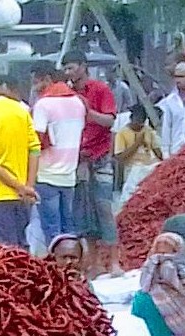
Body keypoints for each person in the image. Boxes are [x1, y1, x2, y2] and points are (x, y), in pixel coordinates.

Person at [64, 50, 121, 275]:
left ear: (83, 66)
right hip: (78, 159)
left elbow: (109, 121)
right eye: (66, 68)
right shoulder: (66, 94)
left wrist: (87, 111)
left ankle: (115, 260)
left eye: (72, 67)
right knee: (84, 211)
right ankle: (95, 261)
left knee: (104, 208)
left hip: (100, 156)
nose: (69, 72)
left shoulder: (100, 90)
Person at [0, 72, 41, 247]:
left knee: (6, 250)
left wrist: (20, 188)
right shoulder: (21, 111)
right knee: (22, 245)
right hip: (24, 196)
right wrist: (28, 186)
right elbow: (34, 149)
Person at [31, 61, 86, 247]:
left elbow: (35, 141)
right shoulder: (78, 102)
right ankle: (72, 268)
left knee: (52, 230)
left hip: (47, 174)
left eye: (36, 83)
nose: (35, 88)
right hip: (69, 175)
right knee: (68, 227)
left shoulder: (44, 104)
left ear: (47, 80)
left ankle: (56, 271)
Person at [115, 104, 163, 204]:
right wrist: (137, 143)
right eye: (137, 121)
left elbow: (157, 151)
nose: (139, 125)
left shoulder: (147, 131)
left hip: (148, 168)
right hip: (132, 169)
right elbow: (120, 157)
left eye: (141, 122)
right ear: (131, 118)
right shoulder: (122, 133)